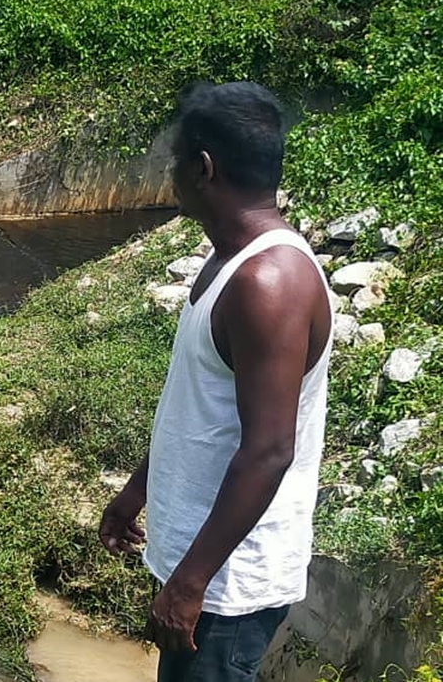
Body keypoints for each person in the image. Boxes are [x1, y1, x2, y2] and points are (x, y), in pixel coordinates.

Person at [98, 82, 334, 682]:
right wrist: (138, 490)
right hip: (205, 566)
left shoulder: (268, 284)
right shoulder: (230, 259)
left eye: (175, 161)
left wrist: (190, 583)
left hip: (230, 586)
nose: (170, 175)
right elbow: (200, 409)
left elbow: (269, 450)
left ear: (203, 169)